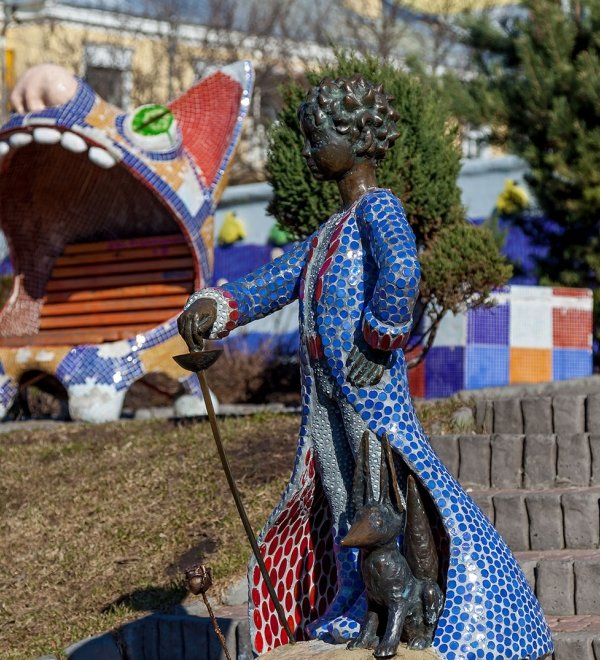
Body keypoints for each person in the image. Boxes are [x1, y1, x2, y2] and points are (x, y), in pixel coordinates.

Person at [178, 75, 553, 659]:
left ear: (357, 137)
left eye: (316, 135)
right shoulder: (328, 232)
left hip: (369, 387)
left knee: (380, 498)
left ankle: (420, 602)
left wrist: (378, 340)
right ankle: (355, 596)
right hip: (326, 391)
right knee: (335, 493)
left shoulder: (379, 208)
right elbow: (273, 283)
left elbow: (403, 267)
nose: (306, 149)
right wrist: (217, 305)